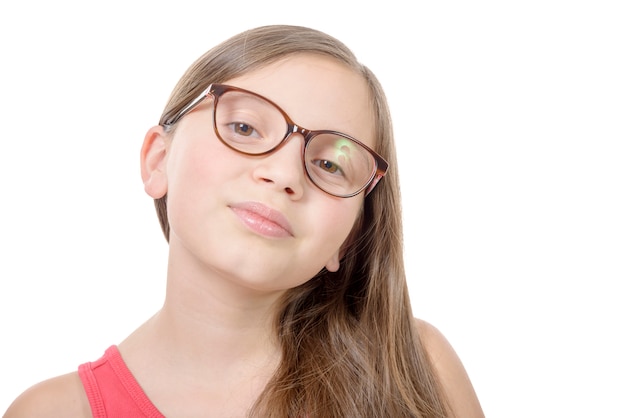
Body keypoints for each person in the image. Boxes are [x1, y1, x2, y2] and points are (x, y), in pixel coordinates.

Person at [4, 25, 483, 417]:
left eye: (331, 164)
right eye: (245, 128)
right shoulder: (54, 411)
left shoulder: (418, 368)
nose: (283, 174)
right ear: (158, 160)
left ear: (349, 236)